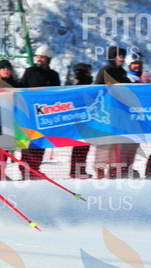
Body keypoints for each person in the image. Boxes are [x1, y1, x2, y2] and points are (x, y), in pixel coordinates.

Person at [93, 46, 137, 179]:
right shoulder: (106, 71)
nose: (122, 58)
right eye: (119, 56)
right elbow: (95, 90)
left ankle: (120, 168)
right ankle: (101, 169)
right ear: (112, 57)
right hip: (107, 113)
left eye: (123, 56)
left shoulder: (122, 72)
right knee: (106, 142)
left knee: (122, 141)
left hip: (121, 114)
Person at [17, 45, 61, 179]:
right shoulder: (30, 72)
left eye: (42, 57)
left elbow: (57, 94)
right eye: (38, 57)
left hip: (45, 115)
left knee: (41, 142)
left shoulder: (53, 75)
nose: (39, 59)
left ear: (48, 59)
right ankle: (25, 169)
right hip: (30, 113)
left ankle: (35, 168)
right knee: (29, 141)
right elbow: (20, 88)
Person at [68, 63, 94, 178]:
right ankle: (77, 170)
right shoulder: (81, 86)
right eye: (88, 71)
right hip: (80, 119)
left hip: (85, 119)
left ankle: (78, 170)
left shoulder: (88, 85)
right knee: (81, 146)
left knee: (82, 145)